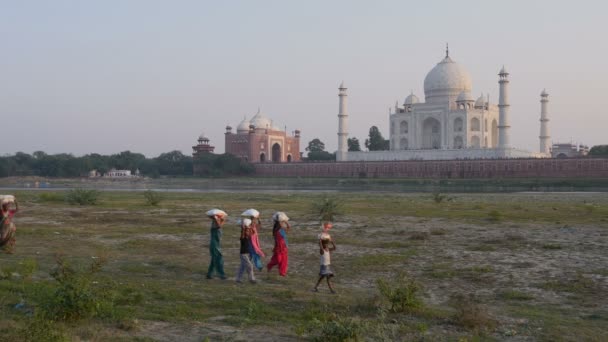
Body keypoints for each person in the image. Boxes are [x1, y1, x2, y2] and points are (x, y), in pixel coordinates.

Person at [314, 222, 336, 293]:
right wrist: (320, 242)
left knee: (323, 277)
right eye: (326, 243)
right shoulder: (322, 250)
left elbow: (334, 248)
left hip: (327, 264)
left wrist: (332, 242)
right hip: (324, 265)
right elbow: (320, 244)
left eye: (327, 244)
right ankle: (331, 290)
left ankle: (315, 287)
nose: (327, 244)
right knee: (328, 278)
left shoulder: (327, 249)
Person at [267, 212, 290, 276]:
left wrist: (286, 222)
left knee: (284, 260)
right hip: (278, 248)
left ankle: (282, 272)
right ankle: (269, 265)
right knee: (278, 260)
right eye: (282, 223)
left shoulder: (282, 230)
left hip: (284, 247)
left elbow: (288, 228)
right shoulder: (276, 230)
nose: (282, 224)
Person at [206, 210, 227, 280]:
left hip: (216, 244)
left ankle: (209, 274)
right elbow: (219, 225)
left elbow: (220, 224)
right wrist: (217, 218)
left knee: (214, 259)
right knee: (219, 259)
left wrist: (222, 219)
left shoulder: (216, 223)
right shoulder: (215, 225)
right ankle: (221, 274)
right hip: (215, 245)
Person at [236, 218, 257, 284]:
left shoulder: (249, 236)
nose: (248, 232)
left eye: (248, 231)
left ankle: (238, 279)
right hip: (243, 254)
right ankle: (252, 279)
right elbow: (243, 231)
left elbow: (254, 232)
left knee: (242, 267)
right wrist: (243, 226)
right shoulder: (242, 237)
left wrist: (252, 225)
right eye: (247, 231)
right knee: (250, 266)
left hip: (248, 254)